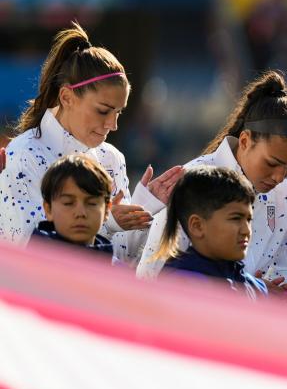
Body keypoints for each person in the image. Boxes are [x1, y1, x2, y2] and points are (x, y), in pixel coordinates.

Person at [0, 22, 182, 263]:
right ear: (66, 97)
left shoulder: (111, 158)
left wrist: (144, 208)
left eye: (119, 112)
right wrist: (107, 222)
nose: (113, 124)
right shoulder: (23, 155)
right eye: (103, 111)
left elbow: (122, 258)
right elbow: (30, 249)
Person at [137, 71, 287, 291]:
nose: (279, 177)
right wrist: (248, 289)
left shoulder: (284, 193)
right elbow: (152, 274)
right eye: (272, 163)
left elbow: (284, 272)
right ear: (246, 140)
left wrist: (263, 291)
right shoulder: (194, 181)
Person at [154, 166, 267, 299]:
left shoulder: (257, 289)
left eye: (249, 220)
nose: (246, 230)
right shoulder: (179, 285)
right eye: (236, 218)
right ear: (197, 226)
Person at [32, 154, 113, 257]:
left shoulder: (118, 270)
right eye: (68, 203)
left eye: (91, 203)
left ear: (106, 210)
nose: (80, 213)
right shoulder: (26, 267)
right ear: (48, 209)